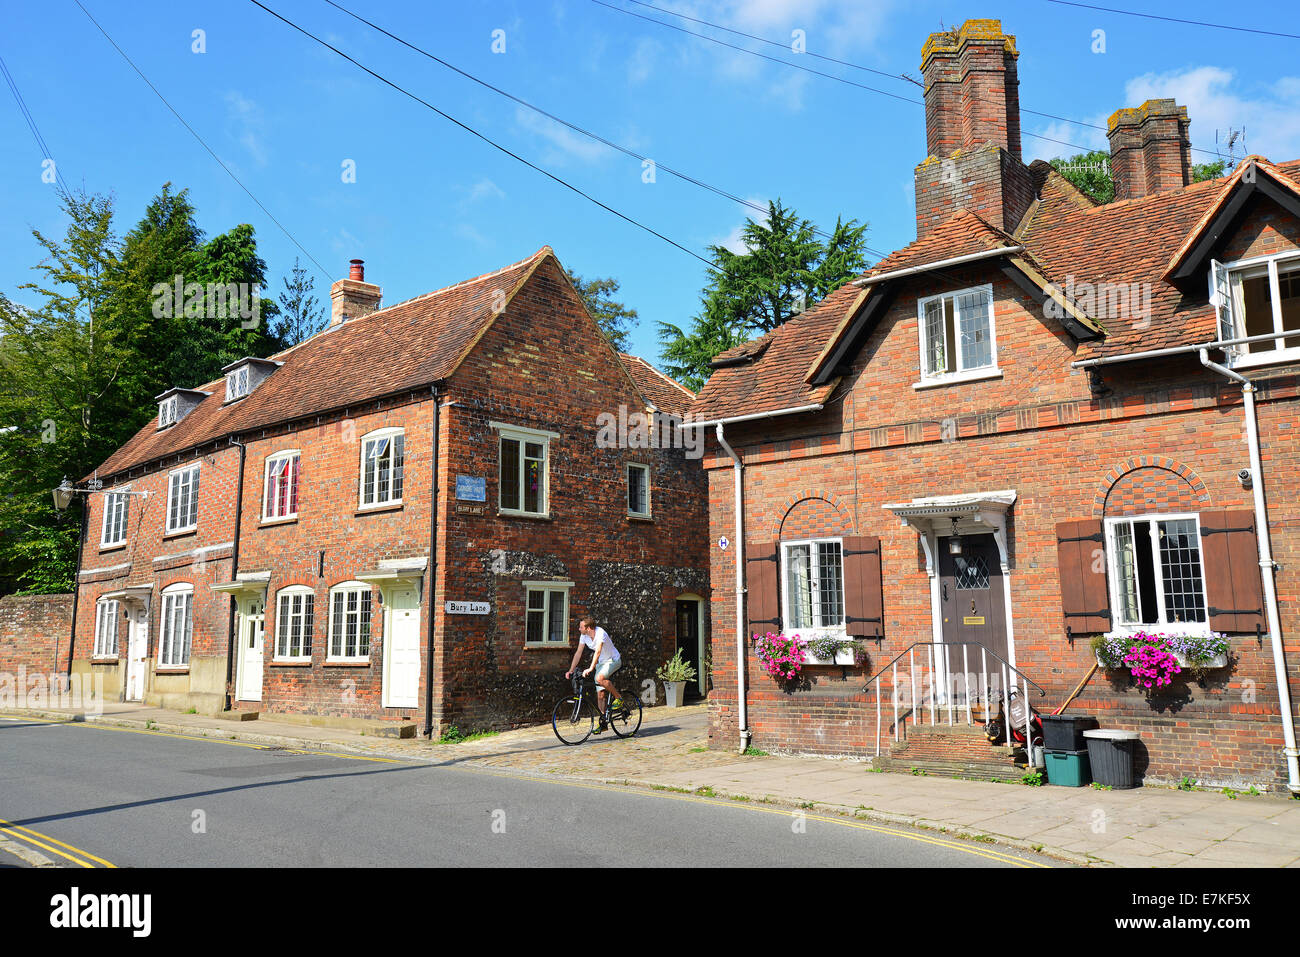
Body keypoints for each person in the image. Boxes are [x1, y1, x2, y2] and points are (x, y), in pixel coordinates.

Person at [566, 619, 625, 733]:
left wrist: (591, 668)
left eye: (581, 627)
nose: (579, 629)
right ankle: (603, 723)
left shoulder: (600, 633)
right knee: (600, 695)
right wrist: (571, 670)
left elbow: (597, 651)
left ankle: (619, 698)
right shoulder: (584, 636)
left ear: (588, 628)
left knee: (599, 679)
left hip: (613, 660)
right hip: (601, 663)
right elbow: (578, 653)